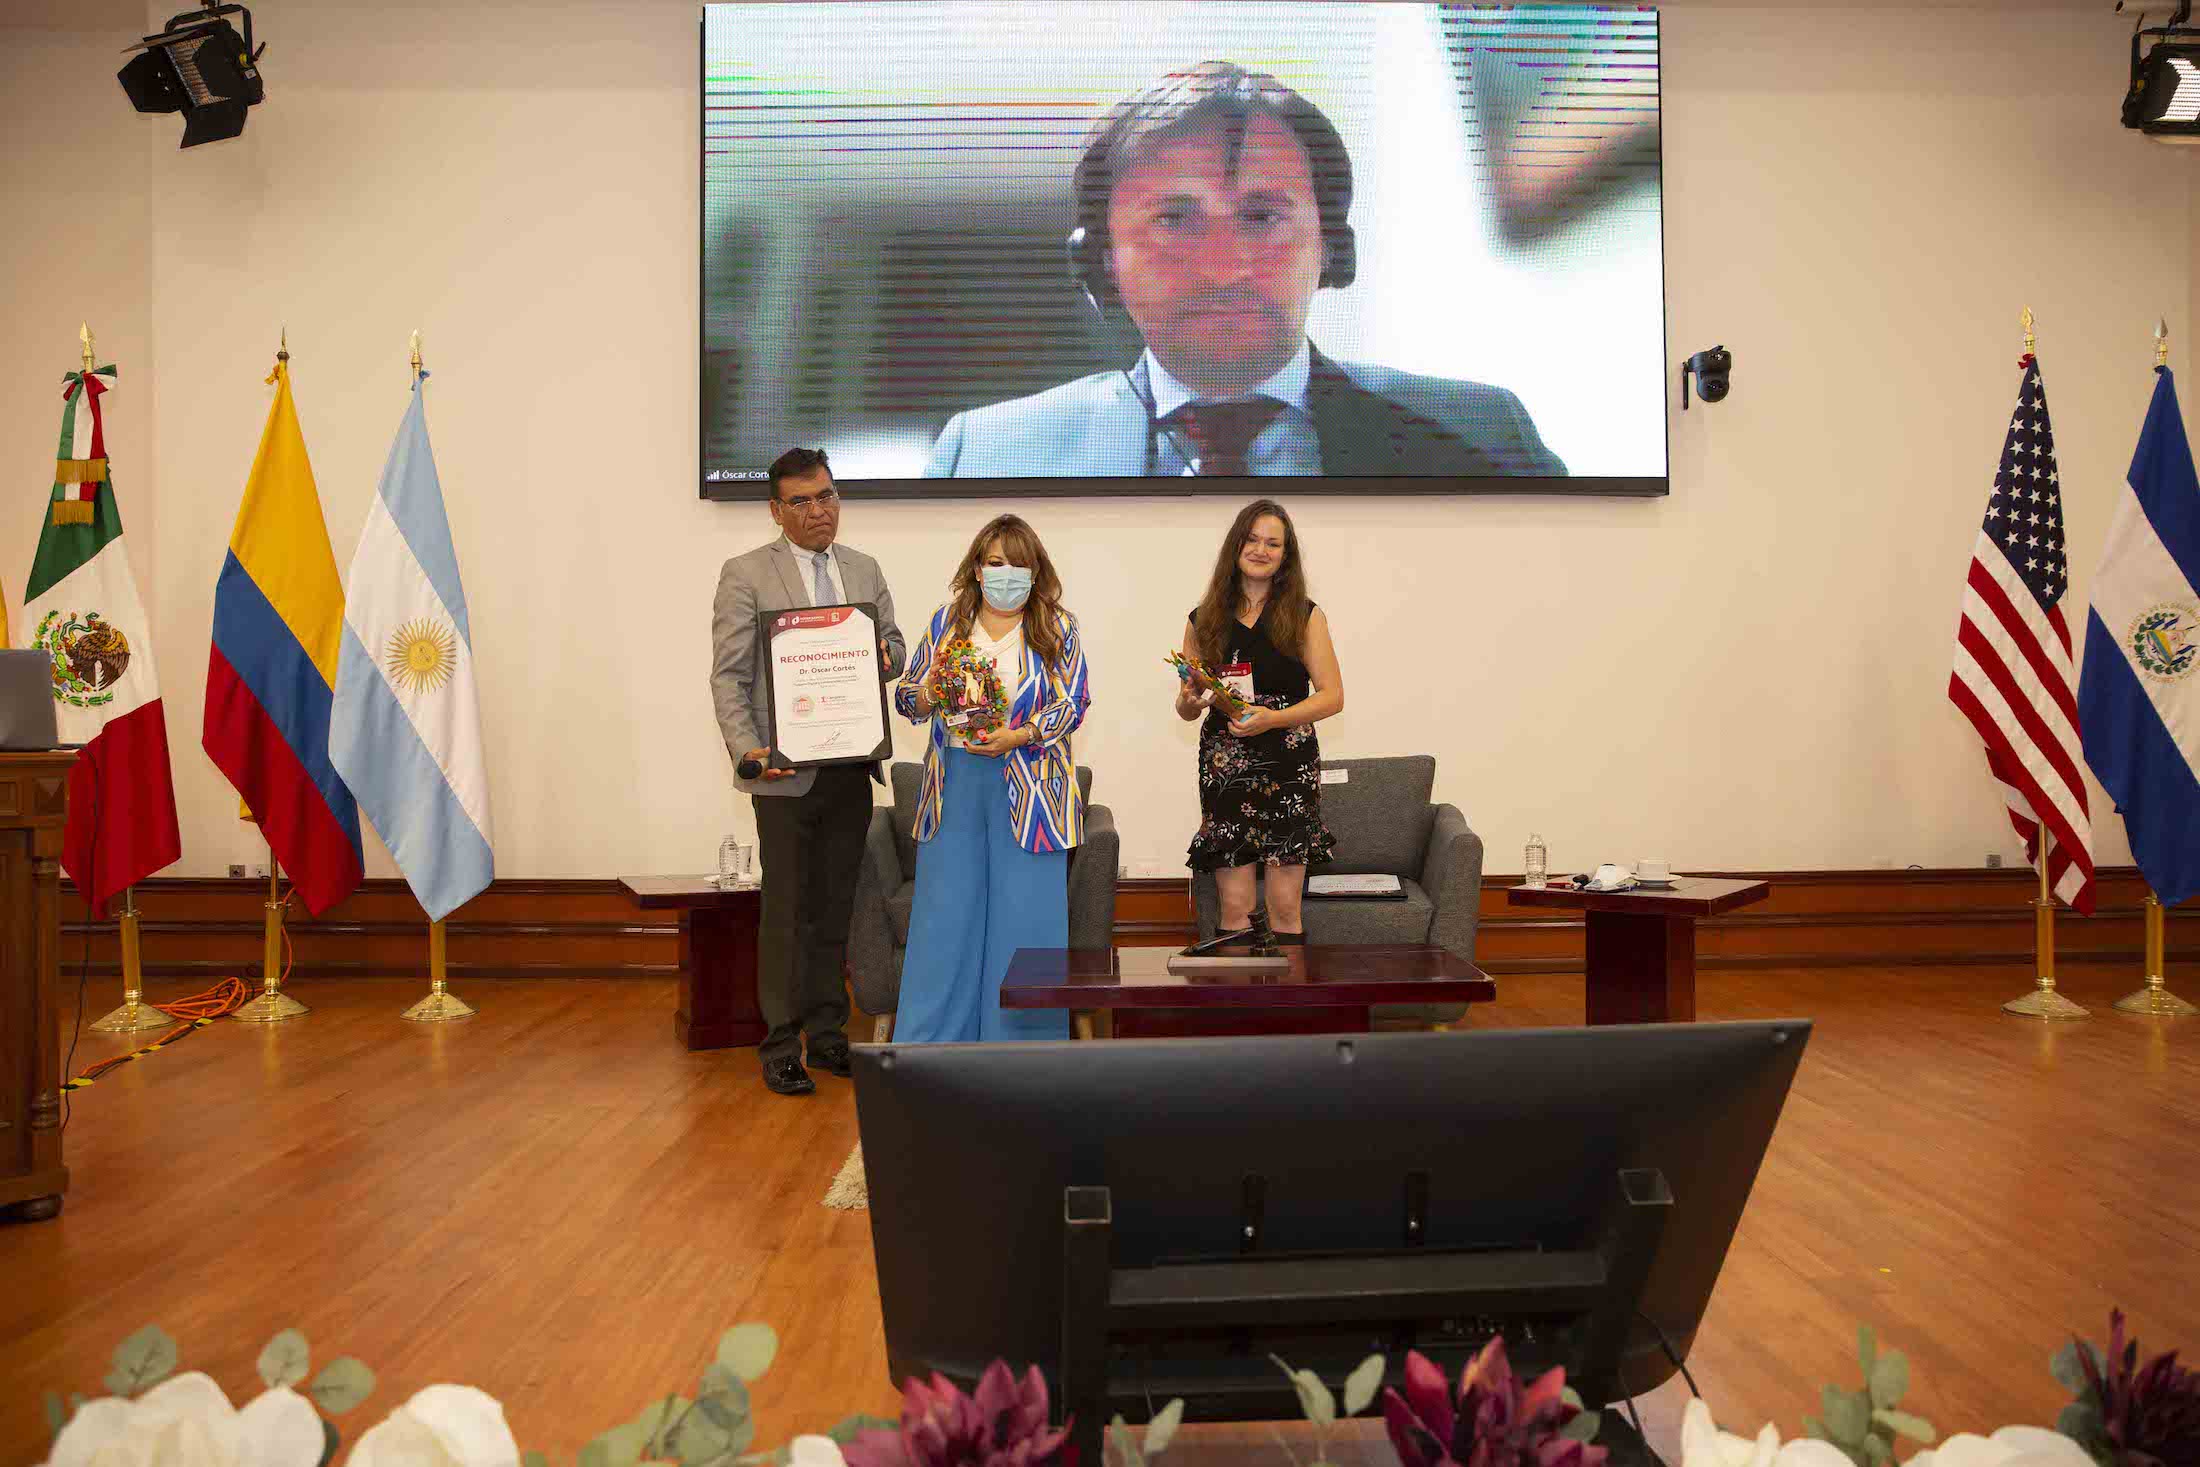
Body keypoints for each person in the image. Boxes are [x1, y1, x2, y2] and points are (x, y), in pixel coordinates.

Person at [925, 61, 1564, 481]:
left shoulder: (1483, 440)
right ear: (1100, 266)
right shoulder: (986, 456)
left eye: (1261, 216)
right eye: (1176, 219)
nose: (1226, 265)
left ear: (1332, 249)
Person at [711, 447, 906, 1096]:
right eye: (802, 501)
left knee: (836, 909)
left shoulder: (864, 568)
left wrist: (884, 653)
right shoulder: (745, 574)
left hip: (850, 766)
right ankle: (779, 1045)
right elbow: (729, 676)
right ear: (776, 510)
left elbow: (895, 649)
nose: (819, 510)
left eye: (827, 495)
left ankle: (827, 1036)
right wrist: (747, 749)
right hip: (783, 773)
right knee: (788, 911)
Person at [892, 515, 1091, 1042]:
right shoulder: (945, 622)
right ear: (977, 569)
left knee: (1026, 924)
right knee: (944, 922)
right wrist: (930, 691)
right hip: (954, 785)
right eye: (996, 562)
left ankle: (1024, 1055)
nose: (1006, 574)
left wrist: (1020, 734)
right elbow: (906, 698)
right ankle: (930, 1049)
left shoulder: (1058, 625)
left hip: (1032, 791)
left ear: (1035, 571)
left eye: (1018, 565)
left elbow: (1074, 703)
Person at [1176, 499, 1342, 940]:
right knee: (1235, 907)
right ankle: (1237, 1009)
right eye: (1252, 539)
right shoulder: (1202, 618)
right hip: (1225, 767)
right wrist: (1191, 700)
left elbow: (1332, 697)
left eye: (1273, 543)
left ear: (1285, 556)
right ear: (1236, 545)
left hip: (1289, 763)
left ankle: (1289, 1010)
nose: (1261, 550)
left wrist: (1274, 718)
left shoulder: (1306, 615)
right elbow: (1186, 707)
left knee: (1285, 908)